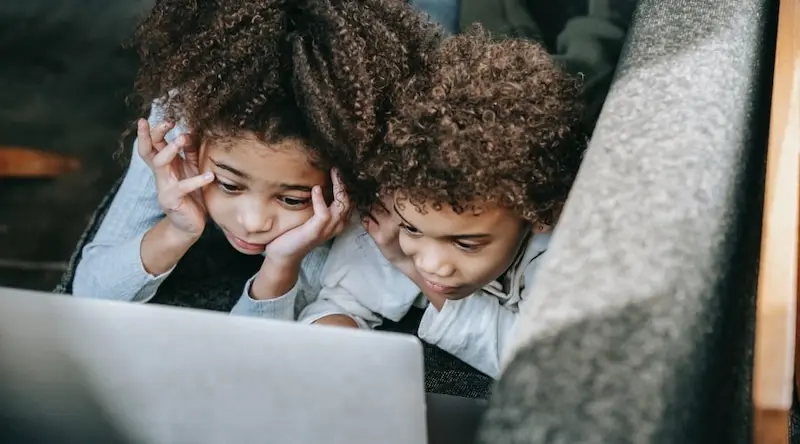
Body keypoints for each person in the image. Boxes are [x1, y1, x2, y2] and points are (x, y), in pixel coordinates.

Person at [71, 0, 440, 319]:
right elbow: (89, 296)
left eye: (293, 199)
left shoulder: (366, 163)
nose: (252, 222)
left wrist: (283, 264)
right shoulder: (177, 126)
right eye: (229, 184)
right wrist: (176, 230)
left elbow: (275, 352)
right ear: (194, 146)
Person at [298, 27, 589, 377]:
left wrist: (408, 267)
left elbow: (540, 363)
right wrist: (335, 337)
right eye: (412, 230)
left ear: (537, 213)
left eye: (466, 243)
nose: (433, 265)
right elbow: (336, 304)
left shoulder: (562, 254)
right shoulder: (397, 211)